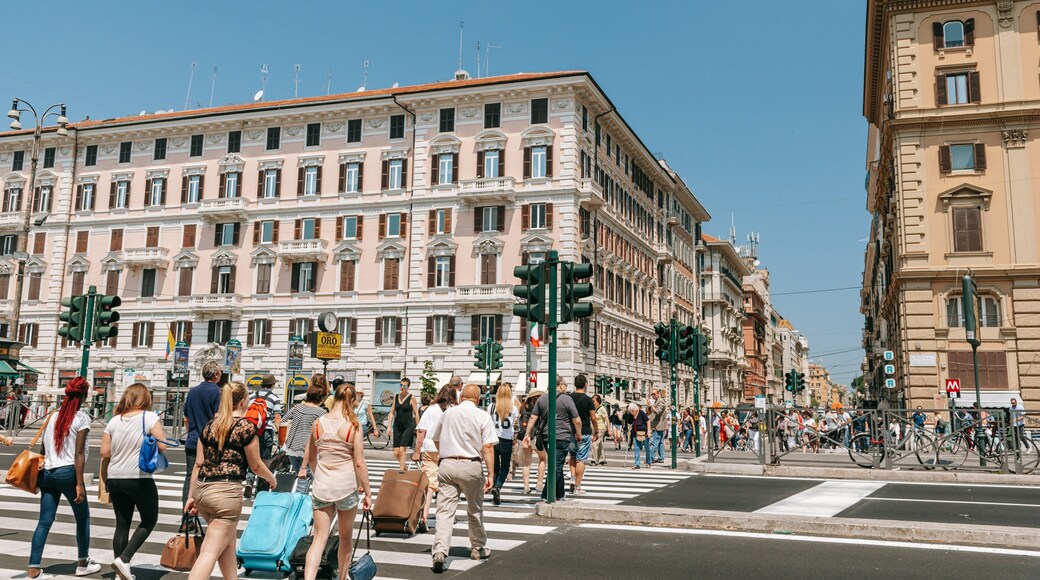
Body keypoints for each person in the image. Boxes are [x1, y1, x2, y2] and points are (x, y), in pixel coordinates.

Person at [185, 382, 277, 580]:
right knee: (209, 552)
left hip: (203, 490)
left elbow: (198, 464)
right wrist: (272, 479)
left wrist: (191, 496)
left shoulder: (210, 426)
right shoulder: (245, 427)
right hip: (226, 493)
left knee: (227, 544)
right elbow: (256, 465)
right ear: (243, 401)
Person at [27, 376, 101, 580]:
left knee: (44, 521)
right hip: (68, 472)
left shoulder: (52, 415)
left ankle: (33, 568)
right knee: (82, 517)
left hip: (47, 472)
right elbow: (79, 453)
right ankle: (83, 563)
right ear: (83, 396)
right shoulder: (81, 418)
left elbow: (43, 448)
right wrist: (79, 483)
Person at [303, 382, 372, 580]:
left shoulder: (318, 423)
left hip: (322, 486)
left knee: (319, 538)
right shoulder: (352, 426)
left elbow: (312, 457)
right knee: (345, 537)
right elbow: (359, 462)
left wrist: (319, 474)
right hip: (346, 486)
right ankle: (342, 577)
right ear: (352, 401)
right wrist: (367, 491)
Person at [101, 383, 168, 580]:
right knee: (149, 519)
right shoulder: (149, 417)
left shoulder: (114, 420)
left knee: (122, 524)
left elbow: (104, 452)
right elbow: (163, 446)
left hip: (115, 476)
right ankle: (124, 559)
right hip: (138, 477)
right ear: (146, 398)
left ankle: (120, 571)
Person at [430, 384, 497, 573]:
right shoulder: (482, 415)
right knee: (474, 509)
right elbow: (488, 447)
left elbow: (435, 439)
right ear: (478, 399)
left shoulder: (448, 414)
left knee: (444, 511)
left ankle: (440, 552)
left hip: (447, 464)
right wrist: (491, 474)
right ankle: (478, 548)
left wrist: (445, 453)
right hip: (471, 465)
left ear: (461, 398)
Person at [523, 376, 580, 502]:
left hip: (546, 436)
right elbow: (577, 420)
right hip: (563, 436)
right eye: (565, 385)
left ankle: (560, 494)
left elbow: (533, 417)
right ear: (560, 385)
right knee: (557, 465)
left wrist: (527, 434)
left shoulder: (542, 398)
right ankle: (546, 495)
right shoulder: (567, 399)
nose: (566, 387)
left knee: (557, 464)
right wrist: (579, 434)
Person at [412, 385, 455, 533]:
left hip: (430, 449)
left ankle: (423, 516)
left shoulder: (431, 409)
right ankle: (446, 515)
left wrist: (417, 452)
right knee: (447, 484)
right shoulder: (452, 410)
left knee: (430, 485)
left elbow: (421, 432)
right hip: (448, 450)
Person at [182, 361, 223, 507]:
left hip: (193, 440)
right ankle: (205, 511)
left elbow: (186, 418)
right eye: (220, 372)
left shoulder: (192, 391)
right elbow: (218, 419)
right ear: (216, 374)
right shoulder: (218, 392)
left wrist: (191, 433)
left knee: (190, 477)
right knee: (211, 478)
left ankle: (187, 512)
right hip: (210, 443)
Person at [283, 379, 328, 494]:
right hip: (308, 449)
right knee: (305, 478)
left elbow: (283, 420)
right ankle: (299, 501)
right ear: (321, 399)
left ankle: (299, 498)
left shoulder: (297, 408)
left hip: (291, 447)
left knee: (300, 475)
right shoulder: (321, 413)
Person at [489, 383, 518, 506]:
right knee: (505, 468)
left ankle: (495, 488)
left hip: (493, 439)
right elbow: (515, 425)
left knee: (495, 467)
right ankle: (498, 487)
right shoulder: (513, 408)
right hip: (506, 439)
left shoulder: (491, 407)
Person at [567, 375, 596, 495]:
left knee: (573, 456)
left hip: (570, 431)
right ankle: (577, 486)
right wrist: (596, 431)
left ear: (574, 384)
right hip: (584, 431)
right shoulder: (588, 400)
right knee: (581, 460)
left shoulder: (569, 398)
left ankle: (572, 479)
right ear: (585, 384)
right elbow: (593, 417)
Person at [387, 377, 419, 470]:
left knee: (402, 450)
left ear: (408, 387)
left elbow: (416, 413)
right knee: (396, 452)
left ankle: (401, 472)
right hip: (398, 426)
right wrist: (389, 426)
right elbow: (392, 412)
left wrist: (418, 428)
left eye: (404, 386)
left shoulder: (412, 398)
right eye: (401, 385)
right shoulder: (396, 396)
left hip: (408, 426)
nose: (402, 387)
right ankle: (405, 468)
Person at [517, 392, 545, 495]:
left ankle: (526, 486)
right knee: (543, 458)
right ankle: (539, 483)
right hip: (535, 437)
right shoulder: (538, 408)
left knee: (526, 463)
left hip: (524, 437)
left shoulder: (523, 408)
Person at [629, 403, 651, 469]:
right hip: (635, 433)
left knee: (647, 448)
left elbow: (648, 421)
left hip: (644, 433)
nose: (631, 413)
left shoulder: (641, 413)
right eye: (630, 411)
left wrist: (649, 431)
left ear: (636, 410)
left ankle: (648, 462)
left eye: (632, 411)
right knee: (637, 448)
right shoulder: (631, 415)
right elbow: (630, 423)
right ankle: (637, 464)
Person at [647, 389, 667, 463]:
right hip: (659, 425)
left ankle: (651, 458)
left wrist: (651, 405)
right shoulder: (657, 401)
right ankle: (661, 458)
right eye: (652, 394)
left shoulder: (660, 402)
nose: (653, 396)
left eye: (654, 394)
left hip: (658, 425)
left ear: (658, 394)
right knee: (660, 442)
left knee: (655, 442)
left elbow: (657, 411)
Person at [591, 394, 609, 465]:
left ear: (598, 401)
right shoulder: (593, 409)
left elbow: (607, 419)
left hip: (600, 428)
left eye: (594, 401)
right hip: (594, 428)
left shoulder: (602, 409)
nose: (593, 402)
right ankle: (602, 460)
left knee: (594, 444)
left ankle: (594, 459)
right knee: (599, 444)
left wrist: (609, 429)